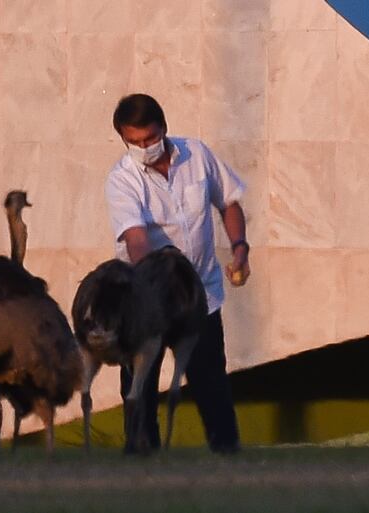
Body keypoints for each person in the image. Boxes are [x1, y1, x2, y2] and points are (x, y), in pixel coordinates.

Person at [104, 93, 249, 454]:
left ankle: (226, 453)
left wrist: (240, 248)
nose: (144, 148)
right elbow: (136, 239)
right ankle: (141, 455)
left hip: (202, 295)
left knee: (210, 381)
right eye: (133, 142)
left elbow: (228, 201)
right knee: (140, 385)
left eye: (150, 139)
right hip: (145, 299)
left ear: (164, 129)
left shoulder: (197, 155)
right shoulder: (122, 180)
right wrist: (157, 283)